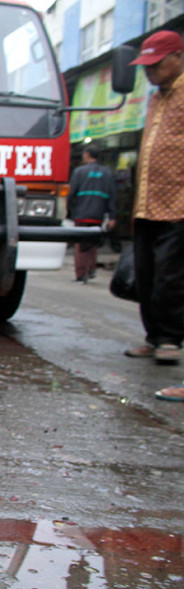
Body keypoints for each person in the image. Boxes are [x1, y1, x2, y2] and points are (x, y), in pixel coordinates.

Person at [125, 31, 184, 372]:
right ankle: (153, 336)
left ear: (177, 58)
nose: (149, 72)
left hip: (178, 204)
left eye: (156, 65)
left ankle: (170, 339)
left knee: (170, 276)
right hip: (147, 204)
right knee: (145, 276)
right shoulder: (155, 98)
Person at [67, 144, 116, 282]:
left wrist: (68, 211)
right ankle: (90, 268)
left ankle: (81, 274)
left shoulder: (79, 172)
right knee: (93, 243)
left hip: (82, 213)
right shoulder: (107, 172)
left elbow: (71, 194)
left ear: (87, 154)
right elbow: (112, 196)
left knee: (80, 244)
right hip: (98, 214)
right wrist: (112, 217)